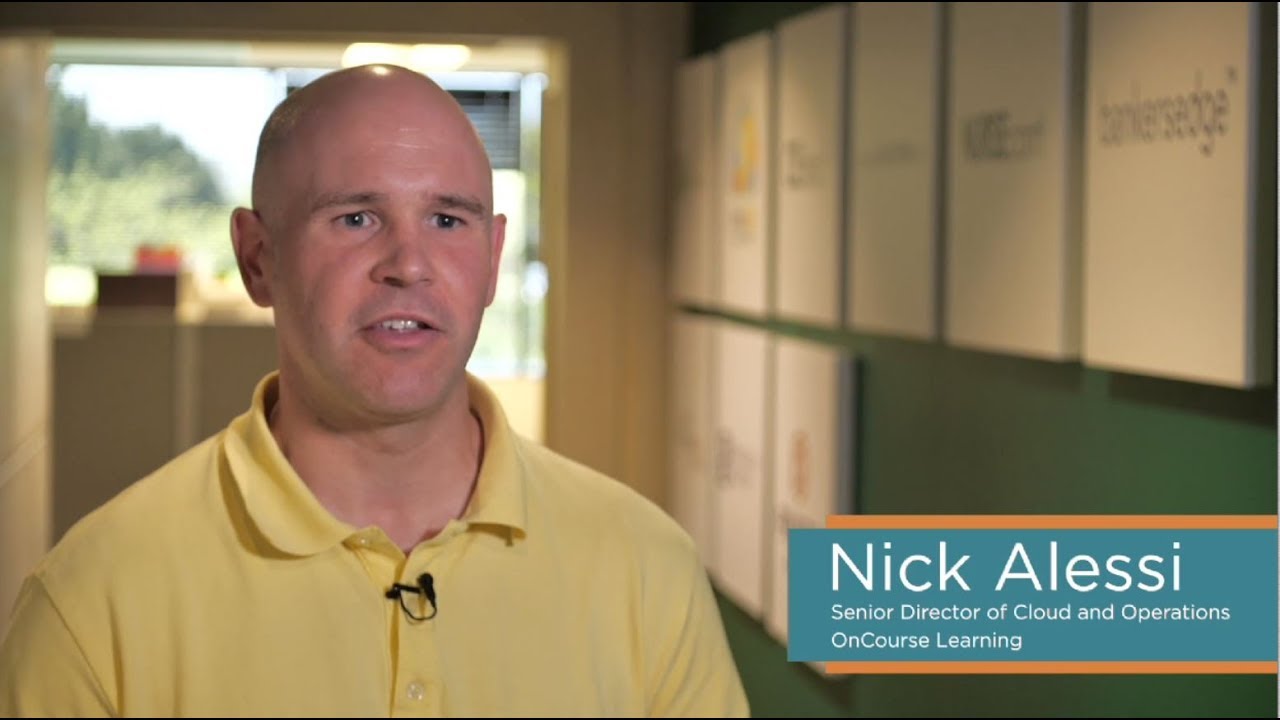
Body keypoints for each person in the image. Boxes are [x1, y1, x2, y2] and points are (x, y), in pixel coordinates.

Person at [0, 64, 749, 717]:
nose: (408, 265)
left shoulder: (646, 568)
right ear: (258, 259)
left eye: (447, 219)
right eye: (356, 218)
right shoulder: (93, 600)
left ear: (493, 260)